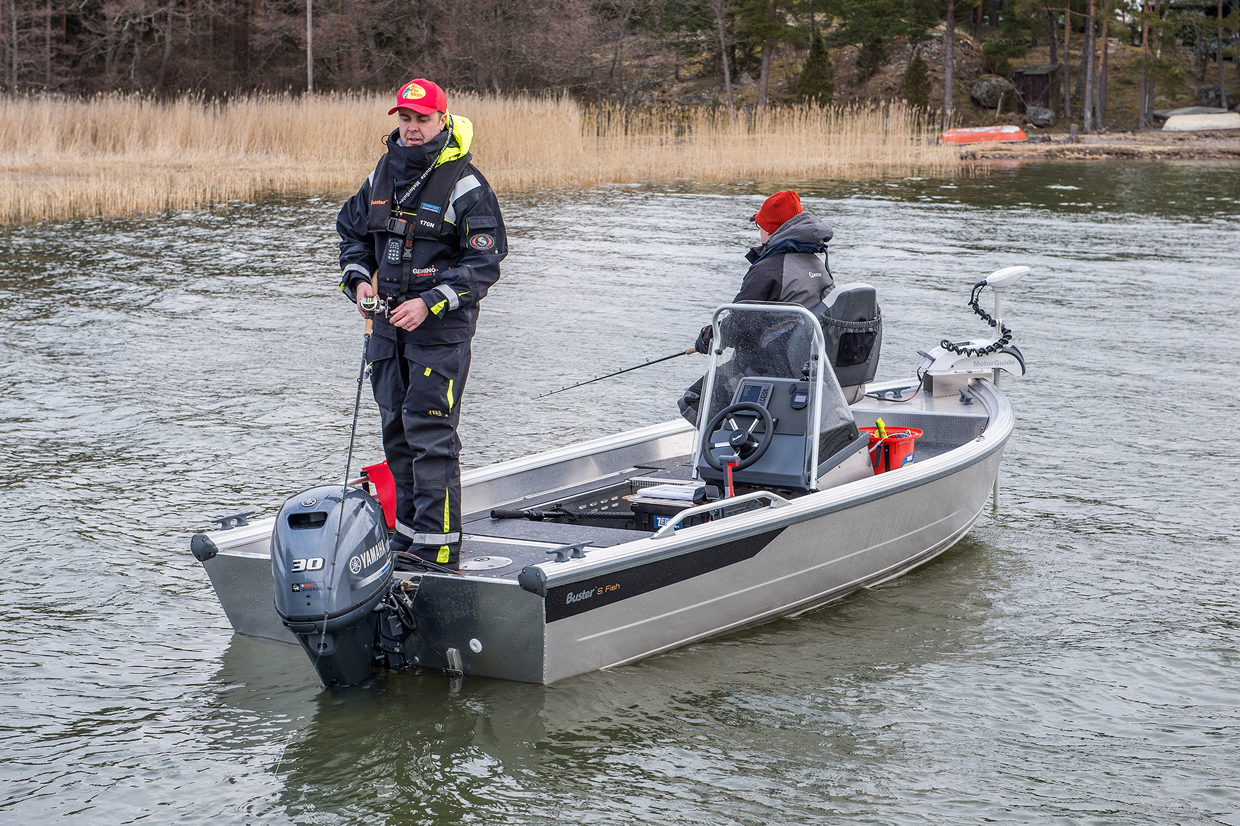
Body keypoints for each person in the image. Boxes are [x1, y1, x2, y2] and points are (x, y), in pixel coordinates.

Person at [336, 78, 507, 568]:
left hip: (439, 333)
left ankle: (438, 547)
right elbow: (351, 232)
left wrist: (430, 302)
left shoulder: (467, 184)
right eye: (405, 119)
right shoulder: (382, 172)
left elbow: (484, 265)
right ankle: (406, 536)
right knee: (396, 430)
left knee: (429, 435)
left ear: (442, 120)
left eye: (422, 120)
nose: (412, 129)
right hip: (386, 329)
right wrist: (358, 283)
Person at [679, 190, 833, 424]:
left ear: (771, 229)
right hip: (806, 366)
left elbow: (737, 325)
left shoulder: (768, 269)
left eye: (761, 226)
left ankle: (736, 454)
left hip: (769, 367)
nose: (760, 232)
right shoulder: (817, 263)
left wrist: (708, 337)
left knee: (694, 400)